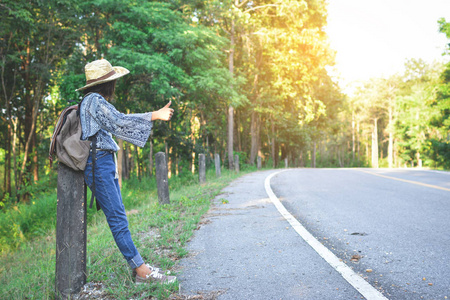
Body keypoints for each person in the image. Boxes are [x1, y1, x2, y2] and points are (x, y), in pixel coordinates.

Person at [76, 59, 176, 284]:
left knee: (119, 214)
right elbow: (118, 122)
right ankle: (141, 272)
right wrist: (155, 114)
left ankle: (138, 266)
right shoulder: (94, 100)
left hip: (102, 161)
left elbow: (114, 124)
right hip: (98, 163)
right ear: (107, 84)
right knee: (118, 218)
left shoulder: (93, 100)